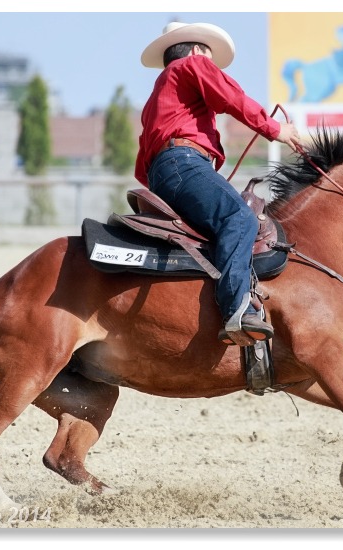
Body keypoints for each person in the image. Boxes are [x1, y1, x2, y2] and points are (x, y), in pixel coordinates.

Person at [135, 22, 301, 345]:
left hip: (166, 171)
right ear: (197, 51)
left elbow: (144, 163)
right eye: (211, 60)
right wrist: (275, 129)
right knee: (239, 218)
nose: (212, 67)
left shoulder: (159, 94)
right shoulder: (192, 64)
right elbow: (231, 97)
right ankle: (237, 309)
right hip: (183, 163)